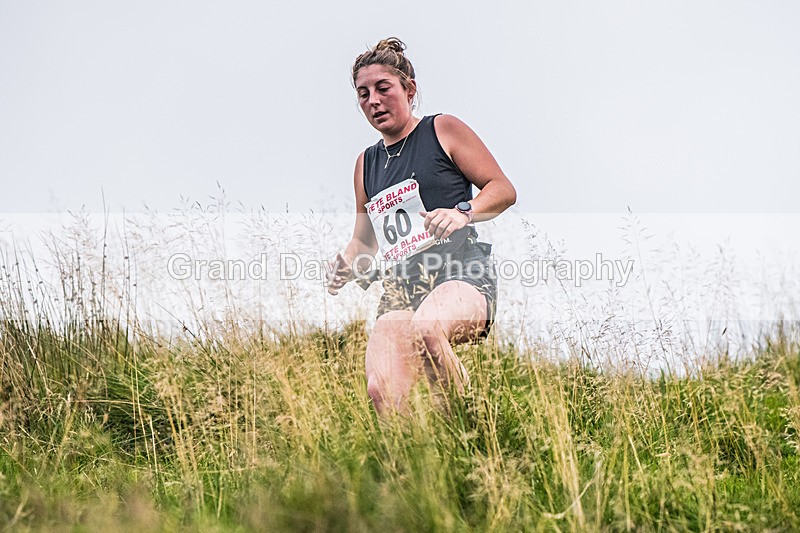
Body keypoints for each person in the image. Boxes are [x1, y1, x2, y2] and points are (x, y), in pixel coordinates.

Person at [327, 38, 516, 414]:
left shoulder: (442, 130)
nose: (373, 101)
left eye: (383, 88)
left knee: (427, 328)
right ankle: (410, 466)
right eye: (363, 94)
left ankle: (473, 429)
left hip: (461, 274)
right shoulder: (365, 164)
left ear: (409, 89)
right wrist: (347, 263)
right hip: (401, 289)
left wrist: (464, 210)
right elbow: (364, 242)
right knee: (381, 389)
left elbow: (503, 190)